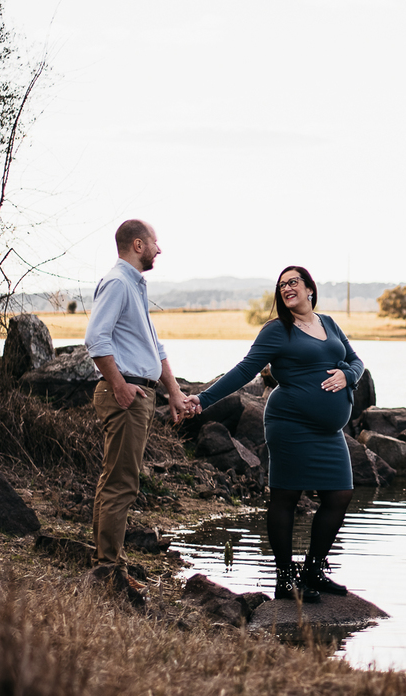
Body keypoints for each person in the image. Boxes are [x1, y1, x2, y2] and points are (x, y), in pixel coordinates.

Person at [188, 265, 363, 602]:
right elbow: (243, 370)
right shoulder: (277, 330)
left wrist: (347, 376)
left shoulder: (328, 323)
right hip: (290, 423)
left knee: (340, 494)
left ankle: (313, 570)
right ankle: (285, 580)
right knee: (286, 496)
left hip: (328, 432)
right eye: (281, 285)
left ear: (310, 288)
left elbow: (356, 361)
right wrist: (203, 398)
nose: (286, 288)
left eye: (293, 282)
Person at [85, 219, 193, 580]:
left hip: (140, 392)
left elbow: (153, 345)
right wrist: (118, 385)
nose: (159, 249)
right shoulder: (117, 282)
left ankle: (106, 560)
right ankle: (106, 569)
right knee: (121, 483)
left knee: (115, 478)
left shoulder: (135, 286)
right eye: (154, 243)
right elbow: (96, 339)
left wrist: (174, 392)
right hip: (126, 394)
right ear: (137, 245)